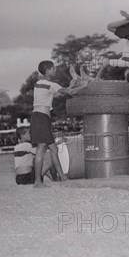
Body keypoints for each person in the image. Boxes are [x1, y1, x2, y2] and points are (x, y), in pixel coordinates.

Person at [31, 60, 87, 188]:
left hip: (38, 117)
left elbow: (56, 94)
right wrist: (84, 86)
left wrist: (70, 86)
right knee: (41, 149)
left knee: (53, 149)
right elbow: (69, 93)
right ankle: (38, 182)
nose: (55, 71)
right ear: (48, 70)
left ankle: (62, 177)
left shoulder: (39, 83)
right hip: (41, 118)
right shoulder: (52, 84)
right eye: (54, 69)